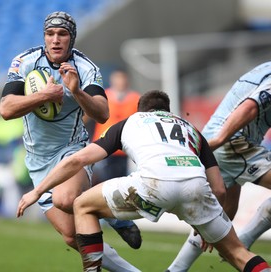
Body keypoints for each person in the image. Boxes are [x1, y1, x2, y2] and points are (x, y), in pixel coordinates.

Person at [17, 90, 271, 272]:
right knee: (239, 254)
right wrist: (205, 223)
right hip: (196, 188)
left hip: (153, 185)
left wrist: (37, 191)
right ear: (168, 112)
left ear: (141, 110)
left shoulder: (132, 121)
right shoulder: (190, 129)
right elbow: (218, 187)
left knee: (83, 204)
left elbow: (77, 160)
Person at [0, 11, 141, 271]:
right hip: (36, 160)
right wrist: (43, 96)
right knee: (71, 235)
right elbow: (6, 109)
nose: (55, 40)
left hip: (71, 151)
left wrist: (75, 91)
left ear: (71, 38)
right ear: (44, 37)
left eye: (62, 34)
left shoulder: (86, 68)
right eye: (50, 34)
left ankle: (113, 214)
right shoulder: (24, 61)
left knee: (65, 200)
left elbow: (102, 112)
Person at [166, 61, 271, 272]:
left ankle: (175, 270)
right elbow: (250, 106)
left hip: (224, 141)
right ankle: (243, 242)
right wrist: (219, 140)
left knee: (221, 217)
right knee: (223, 226)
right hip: (233, 142)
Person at [90, 69, 140, 184]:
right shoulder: (103, 97)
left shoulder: (135, 98)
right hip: (103, 144)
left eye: (122, 78)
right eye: (117, 78)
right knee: (103, 178)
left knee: (125, 180)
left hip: (126, 147)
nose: (120, 82)